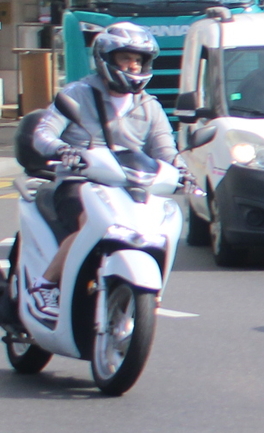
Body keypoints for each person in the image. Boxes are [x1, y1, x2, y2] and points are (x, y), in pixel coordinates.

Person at [20, 22, 176, 322]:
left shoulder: (150, 107)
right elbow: (43, 133)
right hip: (81, 183)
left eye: (138, 60)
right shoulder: (77, 94)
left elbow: (165, 151)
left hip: (131, 187)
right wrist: (62, 150)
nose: (132, 65)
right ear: (106, 59)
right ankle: (45, 285)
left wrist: (182, 170)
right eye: (125, 58)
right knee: (90, 222)